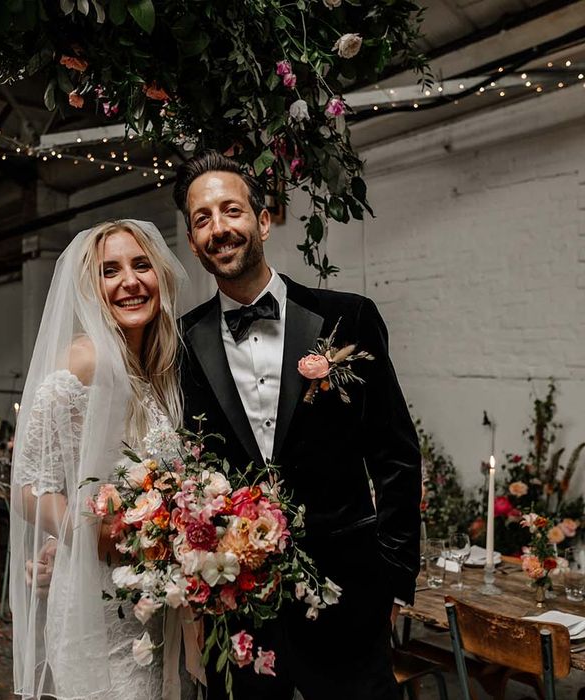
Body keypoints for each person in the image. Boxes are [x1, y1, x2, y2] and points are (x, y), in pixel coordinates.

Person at [173, 151, 422, 699]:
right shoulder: (181, 343)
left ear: (263, 220)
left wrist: (392, 584)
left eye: (231, 210)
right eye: (202, 218)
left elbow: (396, 455)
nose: (219, 228)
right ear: (192, 242)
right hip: (236, 608)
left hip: (348, 597)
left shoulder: (347, 318)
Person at [10, 220, 199, 700]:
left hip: (152, 599)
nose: (129, 282)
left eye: (141, 265)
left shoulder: (161, 370)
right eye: (109, 271)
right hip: (100, 605)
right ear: (93, 289)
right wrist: (82, 532)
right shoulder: (84, 362)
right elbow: (29, 486)